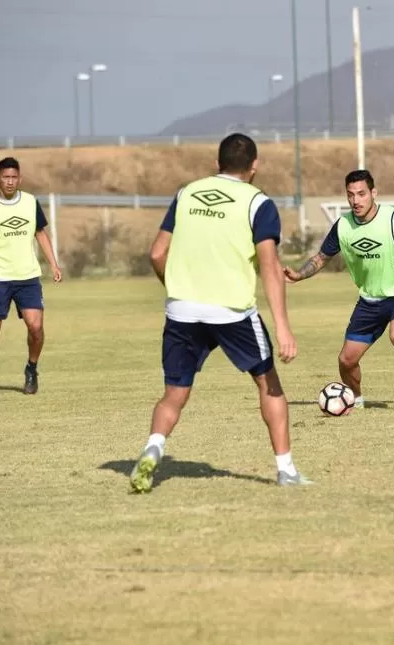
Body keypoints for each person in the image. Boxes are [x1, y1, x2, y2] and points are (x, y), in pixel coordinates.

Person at [128, 133, 310, 493]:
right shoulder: (258, 203)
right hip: (231, 313)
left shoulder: (186, 193)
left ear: (217, 164)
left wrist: (177, 287)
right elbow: (270, 268)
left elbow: (156, 253)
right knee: (268, 384)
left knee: (174, 394)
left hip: (181, 311)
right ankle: (286, 470)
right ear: (254, 166)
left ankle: (153, 448)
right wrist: (284, 328)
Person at [284, 169, 394, 410]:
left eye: (362, 194)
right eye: (351, 195)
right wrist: (299, 275)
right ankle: (355, 401)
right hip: (370, 300)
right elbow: (321, 258)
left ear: (373, 193)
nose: (356, 201)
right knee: (346, 359)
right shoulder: (343, 226)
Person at [0, 157, 62, 398]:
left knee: (36, 326)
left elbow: (40, 233)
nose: (9, 182)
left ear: (19, 178)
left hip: (28, 277)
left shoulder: (30, 202)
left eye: (13, 177)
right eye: (5, 177)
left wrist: (53, 264)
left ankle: (31, 368)